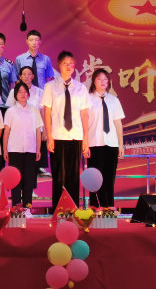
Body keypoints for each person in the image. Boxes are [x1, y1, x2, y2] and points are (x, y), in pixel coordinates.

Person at [42, 51, 91, 209]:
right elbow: (47, 113)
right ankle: (58, 210)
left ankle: (73, 210)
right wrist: (49, 136)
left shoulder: (81, 88)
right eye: (65, 63)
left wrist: (85, 139)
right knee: (58, 175)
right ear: (59, 66)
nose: (69, 66)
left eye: (71, 63)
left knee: (73, 175)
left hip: (76, 135)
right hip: (57, 135)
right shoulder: (50, 87)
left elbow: (84, 114)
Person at [15, 30, 55, 176]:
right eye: (31, 40)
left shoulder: (46, 59)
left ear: (40, 42)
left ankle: (42, 165)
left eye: (37, 40)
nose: (34, 42)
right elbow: (17, 79)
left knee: (42, 129)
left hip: (41, 96)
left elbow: (49, 79)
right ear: (27, 42)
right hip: (25, 96)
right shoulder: (20, 59)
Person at [85, 69, 125, 208]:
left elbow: (118, 123)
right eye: (99, 79)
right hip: (94, 143)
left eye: (105, 79)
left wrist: (120, 144)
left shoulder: (114, 100)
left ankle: (108, 207)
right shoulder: (87, 99)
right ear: (93, 81)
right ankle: (95, 207)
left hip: (111, 144)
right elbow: (84, 123)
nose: (103, 81)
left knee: (109, 177)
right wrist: (84, 144)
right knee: (95, 178)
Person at [2, 82, 43, 211]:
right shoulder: (10, 111)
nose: (23, 94)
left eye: (25, 92)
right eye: (20, 92)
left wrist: (38, 149)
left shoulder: (34, 111)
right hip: (14, 149)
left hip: (30, 149)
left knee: (28, 180)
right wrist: (5, 149)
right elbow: (6, 131)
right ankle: (16, 207)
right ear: (15, 95)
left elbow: (38, 131)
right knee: (15, 180)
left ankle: (27, 208)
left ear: (28, 95)